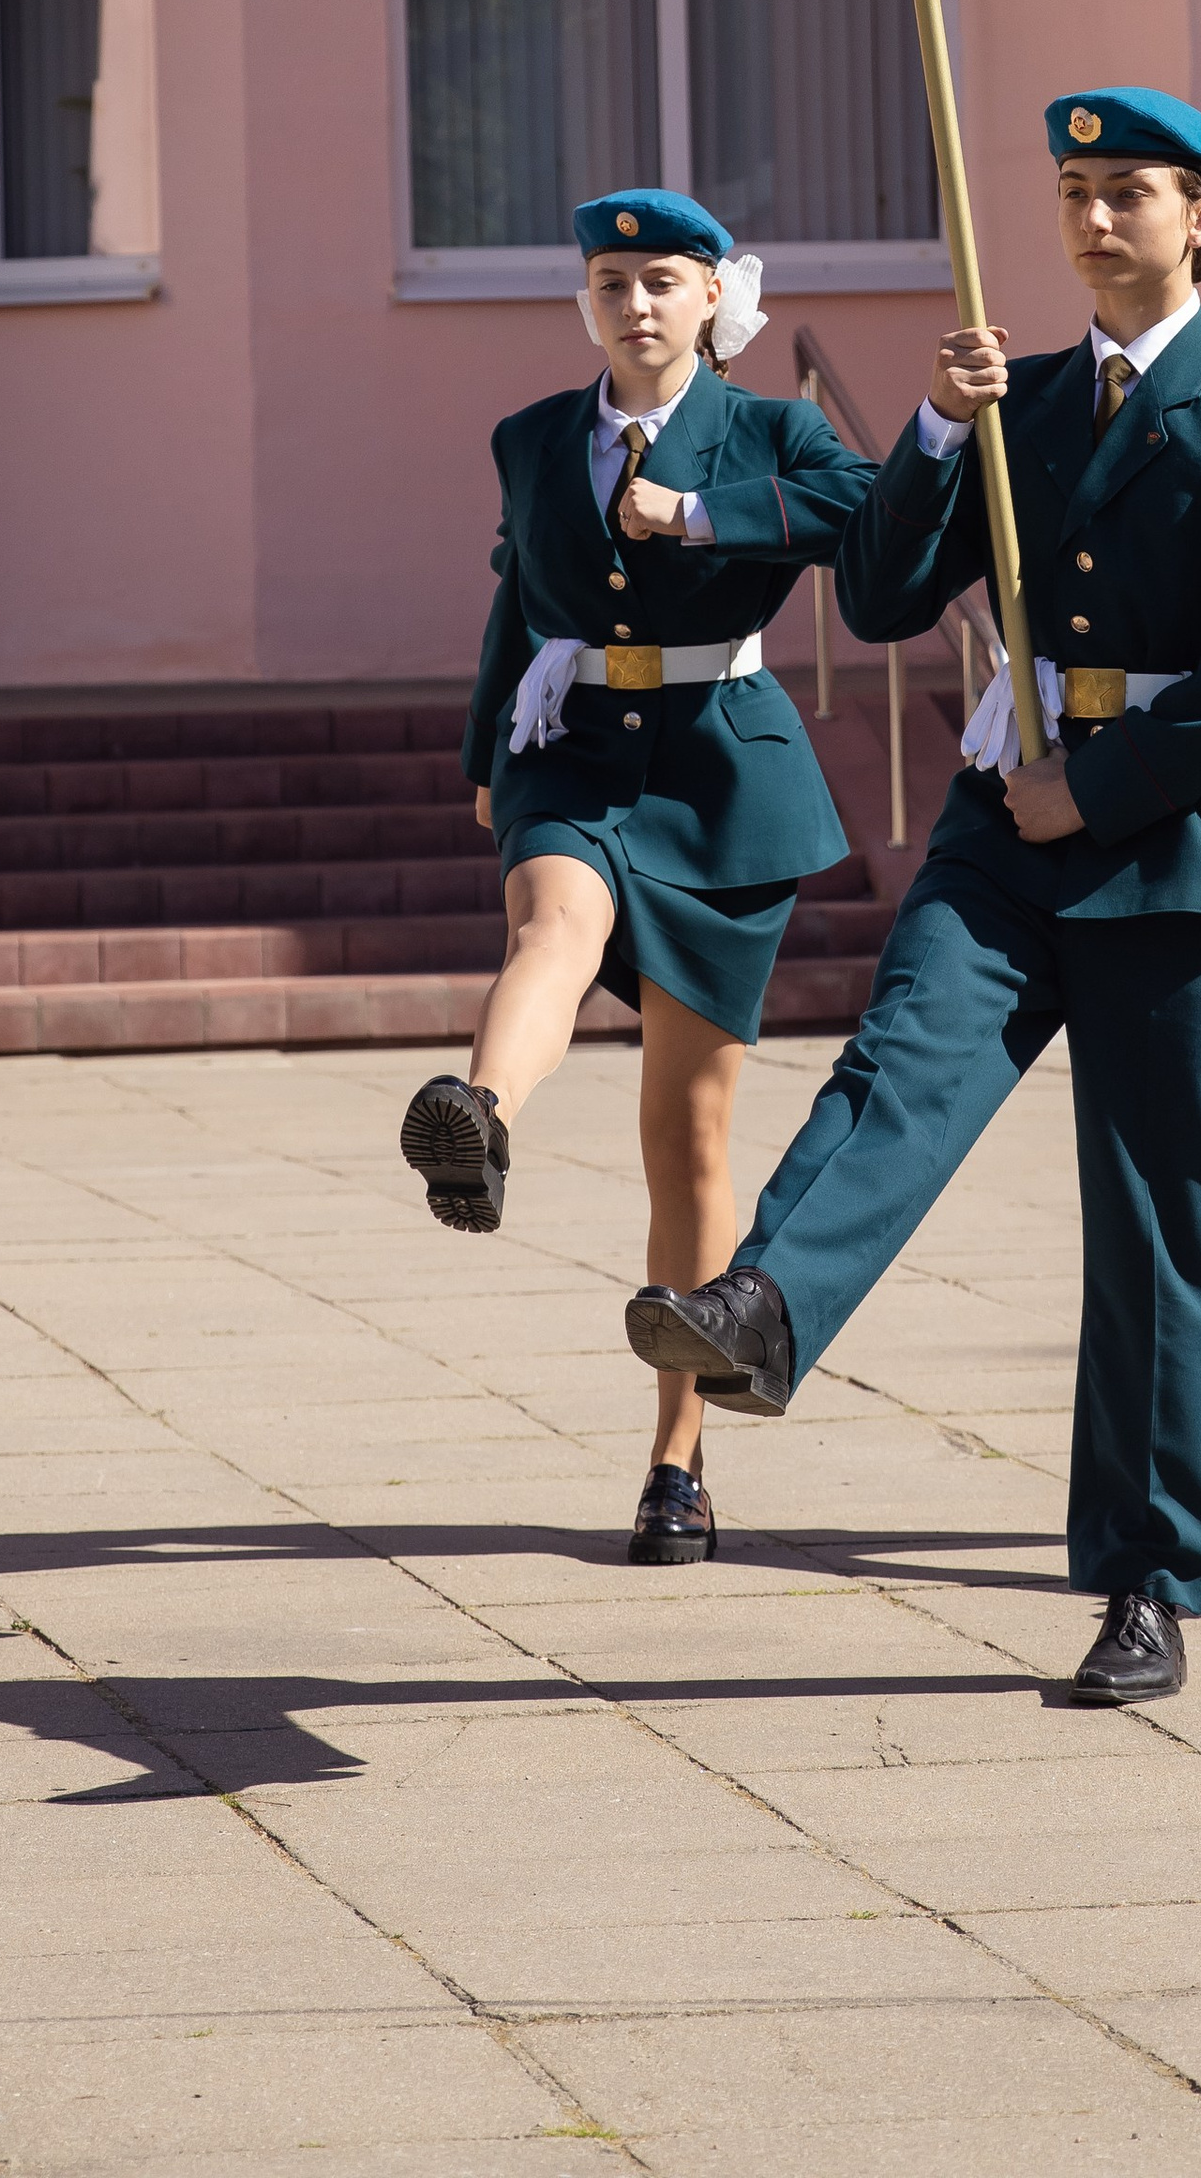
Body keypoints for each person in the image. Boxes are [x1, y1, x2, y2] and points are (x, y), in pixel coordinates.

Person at [622, 89, 1201, 1702]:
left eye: (1129, 194)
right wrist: (945, 435)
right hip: (1001, 836)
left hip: (1163, 854)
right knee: (901, 1062)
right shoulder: (1019, 401)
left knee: (1154, 1236)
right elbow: (877, 598)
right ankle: (761, 1303)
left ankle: (1147, 1578)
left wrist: (1097, 782)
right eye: (1074, 191)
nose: (1093, 221)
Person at [399, 189, 874, 1567]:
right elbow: (515, 591)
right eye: (613, 282)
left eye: (664, 281)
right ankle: (476, 1120)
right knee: (548, 923)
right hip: (570, 749)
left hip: (722, 773)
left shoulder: (773, 428)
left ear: (715, 295)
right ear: (587, 299)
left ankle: (677, 1461)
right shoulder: (533, 436)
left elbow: (862, 518)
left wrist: (705, 513)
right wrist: (490, 736)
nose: (637, 305)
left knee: (692, 1132)